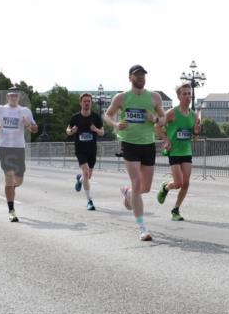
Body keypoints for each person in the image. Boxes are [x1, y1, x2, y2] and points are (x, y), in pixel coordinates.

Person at [104, 65, 166, 241]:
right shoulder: (122, 97)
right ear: (130, 77)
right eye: (137, 75)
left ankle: (128, 193)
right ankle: (142, 228)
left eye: (143, 75)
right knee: (137, 182)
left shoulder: (154, 97)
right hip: (129, 143)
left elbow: (162, 119)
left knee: (144, 188)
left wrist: (153, 118)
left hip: (148, 144)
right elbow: (107, 115)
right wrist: (116, 124)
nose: (141, 78)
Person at [0, 88, 38, 222]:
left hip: (19, 148)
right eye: (11, 95)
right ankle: (11, 211)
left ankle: (9, 189)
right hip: (4, 147)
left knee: (18, 181)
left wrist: (28, 125)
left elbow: (35, 128)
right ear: (7, 97)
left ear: (19, 97)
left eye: (16, 95)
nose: (14, 98)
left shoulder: (25, 111)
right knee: (9, 176)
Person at [156, 83, 201, 221]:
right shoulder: (172, 113)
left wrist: (196, 132)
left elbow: (194, 135)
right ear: (179, 96)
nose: (188, 96)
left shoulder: (193, 115)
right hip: (174, 151)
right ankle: (165, 187)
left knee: (186, 183)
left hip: (186, 151)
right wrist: (165, 140)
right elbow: (157, 126)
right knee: (178, 183)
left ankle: (175, 210)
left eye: (189, 94)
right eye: (185, 94)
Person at [66, 93, 105, 210]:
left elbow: (102, 132)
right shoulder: (75, 118)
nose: (87, 103)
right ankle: (89, 201)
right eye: (84, 101)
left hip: (92, 150)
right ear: (81, 103)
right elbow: (67, 130)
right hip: (80, 149)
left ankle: (80, 179)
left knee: (88, 176)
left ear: (91, 103)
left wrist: (96, 129)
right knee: (86, 172)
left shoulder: (96, 117)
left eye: (89, 101)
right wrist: (72, 130)